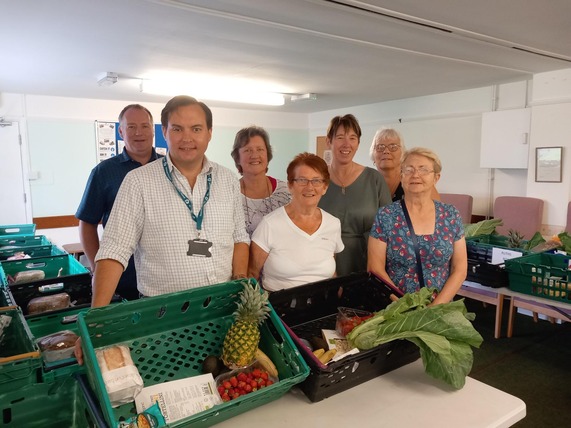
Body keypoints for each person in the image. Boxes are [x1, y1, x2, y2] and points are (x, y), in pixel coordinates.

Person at [75, 104, 161, 300]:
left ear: (153, 130)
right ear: (121, 131)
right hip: (121, 276)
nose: (138, 132)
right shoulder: (103, 172)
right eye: (131, 127)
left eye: (144, 126)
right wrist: (98, 269)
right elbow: (87, 223)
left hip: (163, 274)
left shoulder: (169, 168)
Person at [368, 147, 467, 305]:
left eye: (423, 170)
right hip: (396, 308)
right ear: (401, 176)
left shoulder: (450, 215)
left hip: (440, 310)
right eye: (409, 169)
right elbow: (375, 268)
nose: (415, 175)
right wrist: (404, 305)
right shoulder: (386, 215)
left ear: (436, 178)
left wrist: (434, 308)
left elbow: (459, 269)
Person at [248, 153, 344, 291]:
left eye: (316, 180)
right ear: (290, 185)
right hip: (280, 308)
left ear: (325, 187)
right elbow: (252, 275)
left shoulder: (333, 224)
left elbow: (331, 272)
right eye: (302, 180)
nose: (309, 187)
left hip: (323, 305)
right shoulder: (270, 224)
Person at [318, 114, 391, 277]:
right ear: (329, 141)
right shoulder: (317, 180)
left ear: (358, 143)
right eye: (340, 137)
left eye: (352, 138)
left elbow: (389, 228)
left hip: (367, 262)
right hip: (322, 264)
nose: (347, 144)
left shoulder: (374, 179)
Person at [230, 126, 291, 236]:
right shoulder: (228, 194)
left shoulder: (287, 191)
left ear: (268, 155)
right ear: (237, 158)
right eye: (247, 150)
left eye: (260, 149)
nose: (254, 155)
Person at [370, 127, 440, 201]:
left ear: (403, 153)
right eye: (380, 147)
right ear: (373, 155)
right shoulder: (366, 183)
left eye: (393, 147)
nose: (386, 151)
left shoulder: (416, 180)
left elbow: (436, 210)